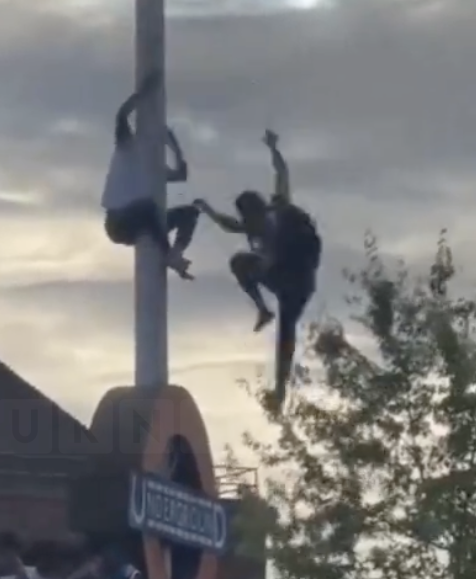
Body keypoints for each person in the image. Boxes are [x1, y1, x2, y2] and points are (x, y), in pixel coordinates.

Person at [195, 130, 322, 410]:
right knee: (239, 262)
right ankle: (263, 310)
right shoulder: (252, 224)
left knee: (286, 332)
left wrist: (274, 148)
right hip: (280, 275)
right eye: (251, 223)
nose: (256, 227)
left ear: (263, 211)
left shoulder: (280, 212)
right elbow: (230, 225)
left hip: (298, 280)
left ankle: (280, 390)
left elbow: (282, 174)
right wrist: (209, 211)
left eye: (257, 221)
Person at [102, 71, 200, 280]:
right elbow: (121, 116)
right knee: (147, 207)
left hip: (145, 219)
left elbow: (180, 176)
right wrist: (143, 94)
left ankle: (175, 253)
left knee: (189, 211)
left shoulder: (155, 167)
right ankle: (169, 255)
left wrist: (176, 150)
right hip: (118, 223)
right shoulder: (127, 148)